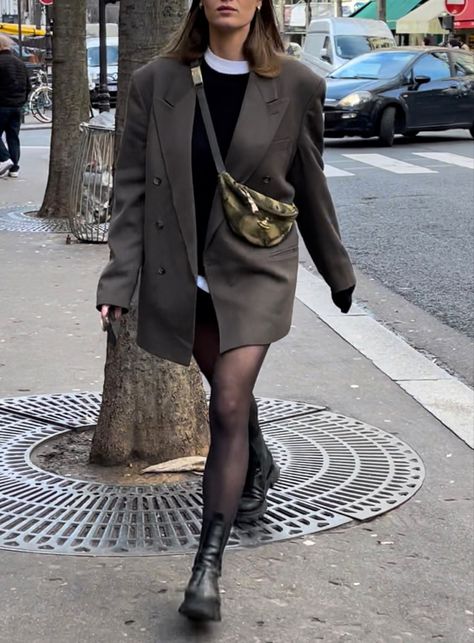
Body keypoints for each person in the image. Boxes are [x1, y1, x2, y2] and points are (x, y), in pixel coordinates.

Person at [96, 0, 355, 623]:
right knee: (228, 397)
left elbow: (309, 183)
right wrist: (117, 279)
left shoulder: (297, 85)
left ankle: (207, 566)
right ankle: (256, 456)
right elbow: (130, 188)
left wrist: (336, 269)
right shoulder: (154, 82)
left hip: (256, 269)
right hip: (179, 271)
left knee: (228, 404)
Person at [0, 35, 31, 178]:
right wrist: (21, 101)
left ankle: (5, 159)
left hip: (2, 105)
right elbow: (28, 85)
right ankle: (15, 168)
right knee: (13, 137)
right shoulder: (20, 63)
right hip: (17, 106)